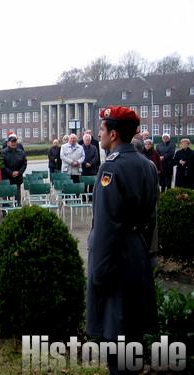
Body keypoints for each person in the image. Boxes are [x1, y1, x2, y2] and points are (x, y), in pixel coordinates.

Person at [87, 106, 158, 375]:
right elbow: (151, 218)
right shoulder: (147, 165)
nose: (98, 133)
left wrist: (99, 274)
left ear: (113, 134)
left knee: (116, 340)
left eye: (102, 129)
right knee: (134, 336)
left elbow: (106, 226)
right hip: (138, 252)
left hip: (114, 259)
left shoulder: (110, 168)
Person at [1, 134, 27, 204]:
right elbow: (2, 165)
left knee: (17, 198)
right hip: (6, 178)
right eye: (12, 142)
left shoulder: (21, 152)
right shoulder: (3, 152)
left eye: (15, 142)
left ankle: (17, 210)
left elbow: (24, 164)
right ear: (8, 143)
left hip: (17, 178)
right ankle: (5, 213)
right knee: (5, 198)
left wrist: (19, 172)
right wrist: (11, 173)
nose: (14, 143)